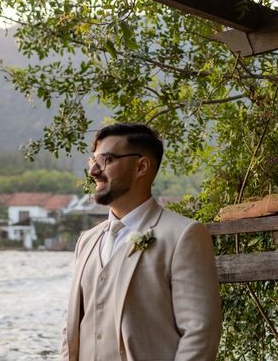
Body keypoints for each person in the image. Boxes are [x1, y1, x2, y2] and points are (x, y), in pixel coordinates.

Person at [61, 122, 222, 361]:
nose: (94, 171)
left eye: (106, 160)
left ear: (141, 167)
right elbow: (70, 330)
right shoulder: (87, 241)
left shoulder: (183, 235)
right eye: (92, 161)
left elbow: (200, 333)